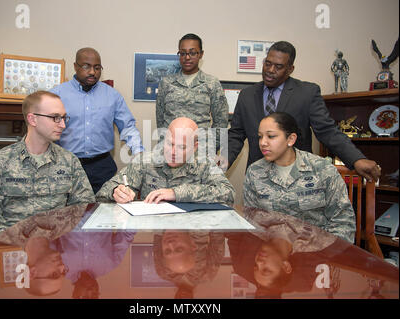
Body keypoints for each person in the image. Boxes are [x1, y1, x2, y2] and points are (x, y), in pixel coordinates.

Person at [227, 41, 381, 183]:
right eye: (268, 64)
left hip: (297, 181)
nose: (270, 70)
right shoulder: (247, 95)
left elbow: (327, 131)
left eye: (278, 66)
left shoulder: (307, 93)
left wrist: (356, 159)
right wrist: (221, 163)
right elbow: (236, 135)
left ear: (290, 69)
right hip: (258, 179)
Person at [0, 91, 95, 246]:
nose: (63, 124)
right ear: (32, 119)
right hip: (13, 255)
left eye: (63, 118)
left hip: (57, 252)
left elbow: (85, 210)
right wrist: (26, 247)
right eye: (55, 117)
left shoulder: (69, 161)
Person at [243, 112, 355, 243]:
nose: (263, 143)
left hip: (316, 253)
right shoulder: (255, 172)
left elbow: (343, 221)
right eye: (260, 137)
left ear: (291, 139)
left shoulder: (321, 169)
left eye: (271, 136)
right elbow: (251, 221)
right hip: (273, 253)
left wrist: (327, 255)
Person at [50, 47, 144, 194]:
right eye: (86, 66)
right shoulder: (57, 94)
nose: (92, 72)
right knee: (67, 213)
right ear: (75, 66)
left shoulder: (112, 95)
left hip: (101, 167)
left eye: (97, 67)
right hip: (66, 165)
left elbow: (127, 127)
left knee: (103, 211)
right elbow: (45, 130)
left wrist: (139, 153)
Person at [97, 117, 235, 205]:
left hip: (190, 235)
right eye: (170, 144)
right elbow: (103, 191)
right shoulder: (146, 161)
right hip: (153, 232)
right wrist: (116, 191)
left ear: (195, 147)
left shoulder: (205, 163)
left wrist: (177, 193)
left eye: (182, 147)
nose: (173, 152)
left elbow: (228, 193)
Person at [156, 33, 229, 154]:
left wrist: (210, 148)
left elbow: (221, 122)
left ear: (201, 54)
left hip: (201, 152)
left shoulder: (211, 83)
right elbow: (161, 120)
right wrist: (166, 144)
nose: (187, 57)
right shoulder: (166, 83)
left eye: (192, 53)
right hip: (172, 152)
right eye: (183, 53)